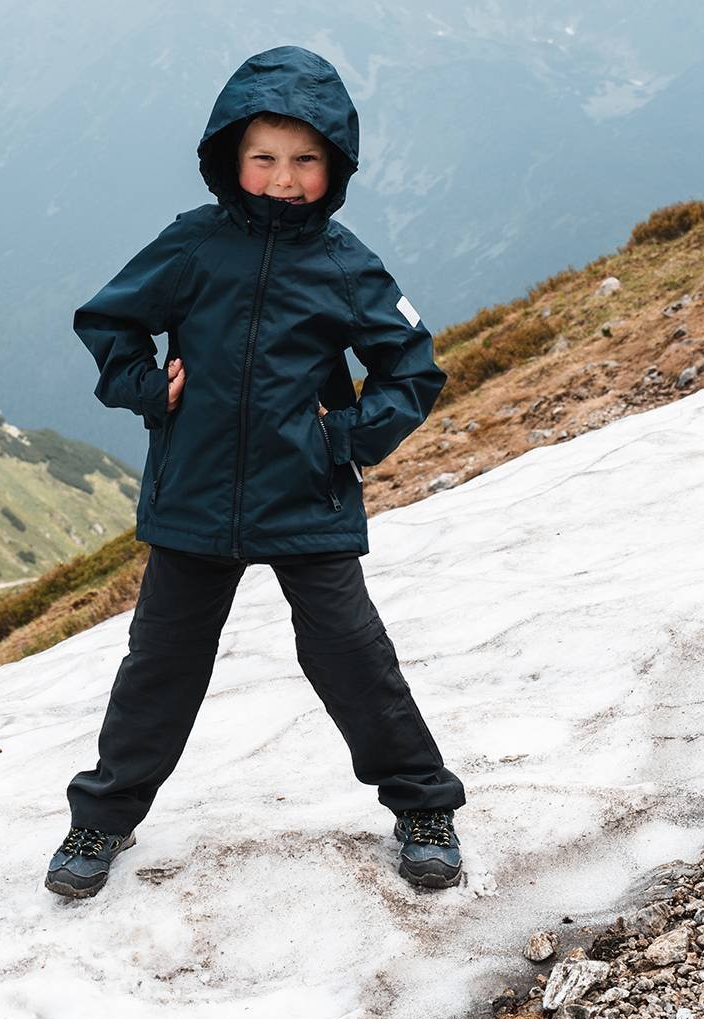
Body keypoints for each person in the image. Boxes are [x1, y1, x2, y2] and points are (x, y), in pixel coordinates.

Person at [44, 45, 466, 902]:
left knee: (354, 658)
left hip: (306, 494)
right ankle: (102, 820)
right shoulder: (193, 245)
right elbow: (108, 320)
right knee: (159, 666)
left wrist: (346, 438)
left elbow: (412, 366)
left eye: (305, 160)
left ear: (335, 165)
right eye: (264, 157)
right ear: (229, 158)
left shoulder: (346, 264)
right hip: (194, 498)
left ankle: (424, 808)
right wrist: (146, 389)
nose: (283, 178)